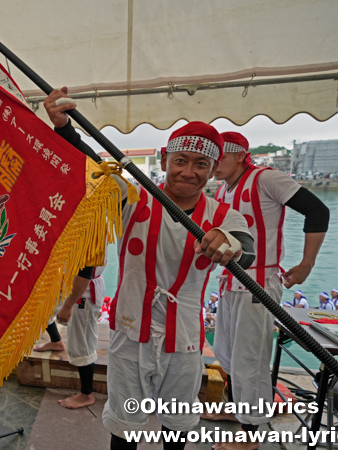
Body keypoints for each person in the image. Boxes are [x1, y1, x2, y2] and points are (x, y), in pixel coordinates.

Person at [45, 88, 255, 450]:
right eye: (181, 161)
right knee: (125, 428)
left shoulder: (224, 216)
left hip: (185, 339)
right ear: (165, 158)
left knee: (178, 427)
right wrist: (64, 128)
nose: (188, 172)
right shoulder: (135, 196)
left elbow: (245, 249)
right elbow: (89, 166)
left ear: (213, 169)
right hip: (130, 333)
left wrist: (229, 244)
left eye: (200, 165)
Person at [208, 131, 328, 450]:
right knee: (227, 353)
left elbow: (318, 211)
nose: (214, 164)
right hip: (229, 281)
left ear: (239, 156)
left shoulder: (265, 178)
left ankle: (252, 435)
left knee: (251, 359)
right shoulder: (222, 190)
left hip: (258, 283)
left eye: (220, 157)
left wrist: (306, 264)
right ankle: (238, 410)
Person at [55, 265, 106, 409]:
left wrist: (68, 306)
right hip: (76, 285)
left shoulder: (87, 241)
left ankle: (86, 394)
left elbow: (85, 272)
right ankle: (55, 341)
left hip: (84, 292)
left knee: (82, 343)